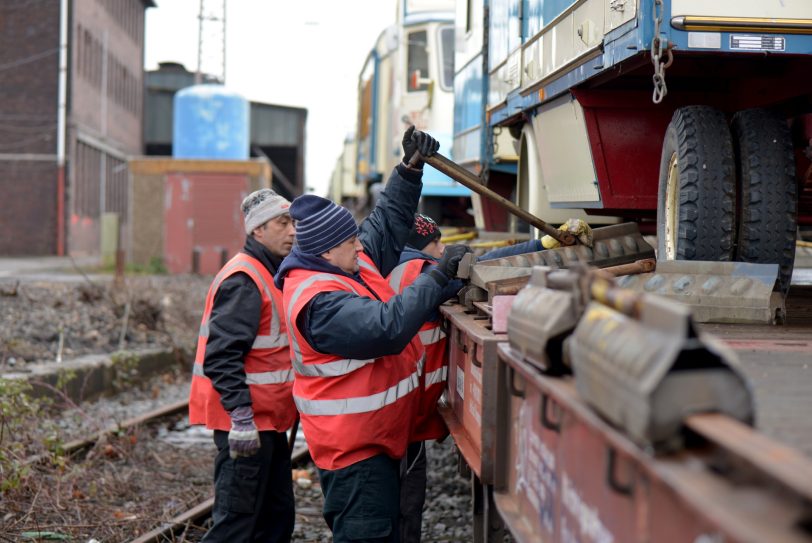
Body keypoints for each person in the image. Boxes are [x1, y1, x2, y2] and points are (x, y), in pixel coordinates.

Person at [274, 127, 470, 543]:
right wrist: (438, 276)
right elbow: (388, 329)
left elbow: (383, 225)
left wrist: (409, 170)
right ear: (326, 251)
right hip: (355, 457)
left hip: (379, 441)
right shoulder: (318, 302)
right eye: (351, 242)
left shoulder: (343, 263)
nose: (362, 249)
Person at [387, 213, 545, 542]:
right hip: (403, 417)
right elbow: (482, 265)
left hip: (393, 410)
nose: (440, 249)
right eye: (435, 243)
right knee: (405, 503)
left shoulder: (391, 267)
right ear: (420, 247)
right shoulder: (420, 273)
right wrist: (539, 244)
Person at [188, 188, 297, 543]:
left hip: (268, 424)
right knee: (237, 527)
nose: (293, 231)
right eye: (283, 223)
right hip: (247, 428)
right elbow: (221, 356)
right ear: (258, 231)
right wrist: (241, 417)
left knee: (274, 521)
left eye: (293, 222)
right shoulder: (244, 279)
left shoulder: (269, 272)